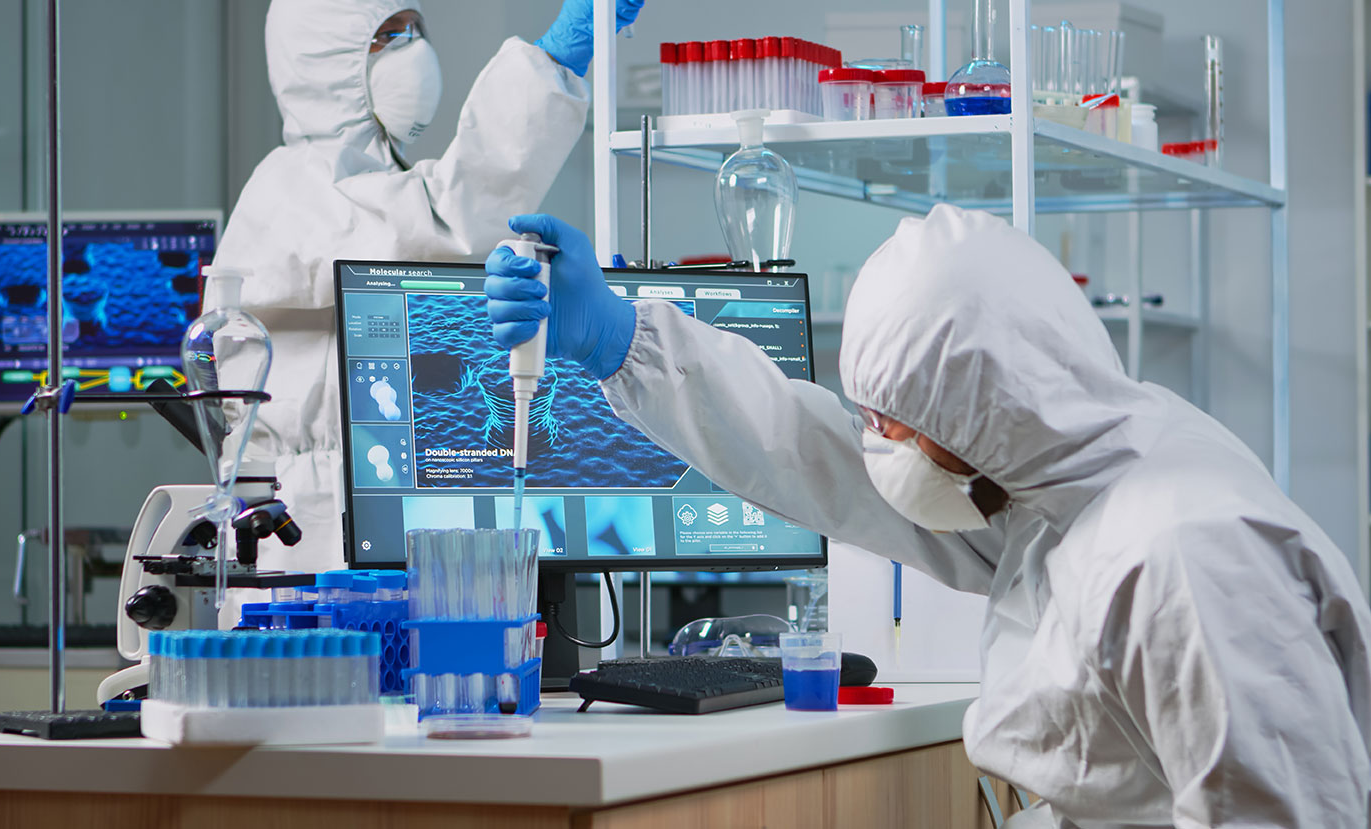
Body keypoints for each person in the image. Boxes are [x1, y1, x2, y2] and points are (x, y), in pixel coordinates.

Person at [483, 207, 1371, 827]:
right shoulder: (1060, 480)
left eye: (893, 423)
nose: (876, 444)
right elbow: (818, 454)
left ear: (985, 410)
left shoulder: (1183, 553)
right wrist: (622, 342)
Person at [211, 0, 644, 574]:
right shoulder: (296, 187)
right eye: (388, 35)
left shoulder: (373, 185)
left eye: (417, 30)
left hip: (365, 501)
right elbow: (454, 215)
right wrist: (552, 62)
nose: (414, 50)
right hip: (308, 527)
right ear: (325, 62)